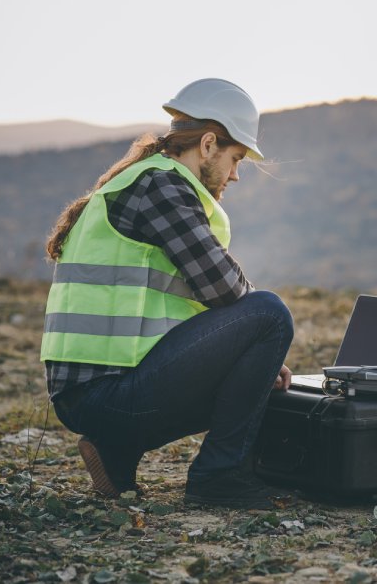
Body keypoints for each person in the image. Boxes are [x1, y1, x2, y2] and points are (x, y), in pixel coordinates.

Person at [40, 78, 294, 510]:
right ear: (209, 144)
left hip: (95, 393)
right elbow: (223, 286)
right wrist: (263, 343)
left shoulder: (146, 182)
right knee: (268, 313)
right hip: (104, 394)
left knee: (261, 367)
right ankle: (218, 476)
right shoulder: (162, 187)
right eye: (235, 159)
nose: (235, 174)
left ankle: (116, 450)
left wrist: (259, 361)